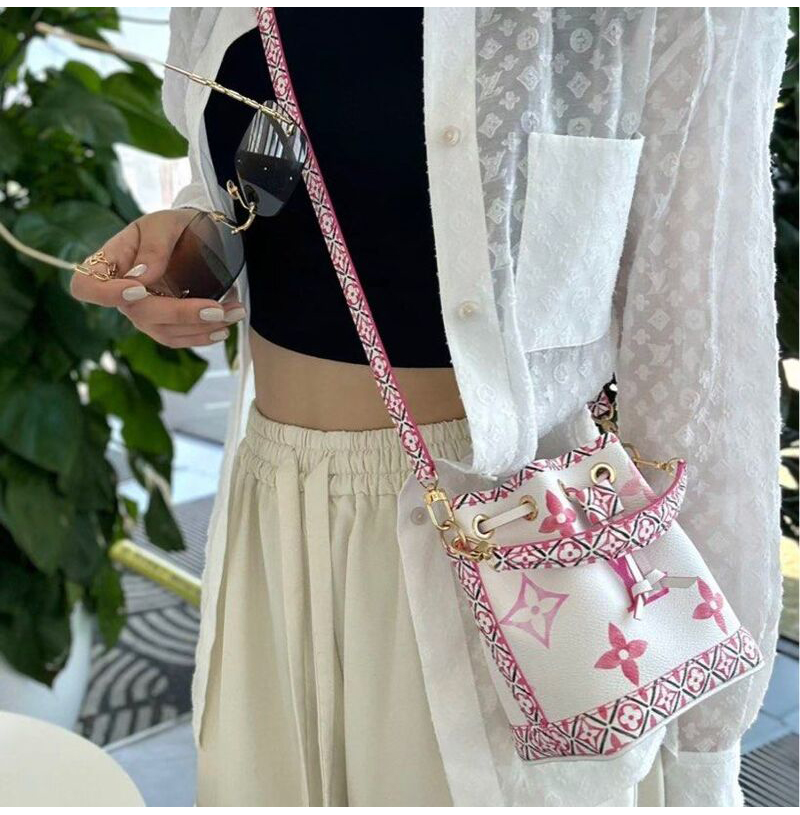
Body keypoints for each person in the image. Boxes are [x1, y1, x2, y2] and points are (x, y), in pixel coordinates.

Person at [69, 7, 789, 807]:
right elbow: (270, 181)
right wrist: (192, 241)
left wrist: (703, 740)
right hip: (273, 507)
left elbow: (700, 336)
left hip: (514, 540)